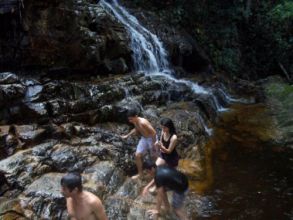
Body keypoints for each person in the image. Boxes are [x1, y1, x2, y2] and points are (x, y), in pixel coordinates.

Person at [121, 108, 157, 180]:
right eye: (129, 119)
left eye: (131, 119)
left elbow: (154, 133)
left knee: (154, 157)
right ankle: (140, 174)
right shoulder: (135, 121)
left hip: (151, 139)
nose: (130, 121)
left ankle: (157, 174)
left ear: (136, 116)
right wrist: (127, 135)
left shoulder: (143, 122)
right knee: (137, 155)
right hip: (144, 138)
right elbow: (136, 129)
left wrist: (153, 144)